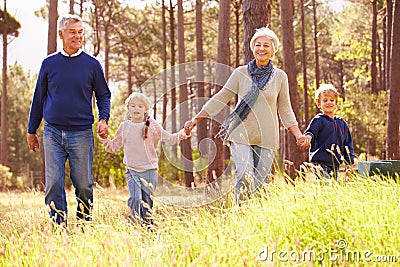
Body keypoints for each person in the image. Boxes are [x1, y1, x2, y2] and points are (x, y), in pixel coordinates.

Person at [185, 27, 304, 203]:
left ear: (273, 50)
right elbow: (221, 97)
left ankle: (258, 218)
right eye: (258, 45)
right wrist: (197, 118)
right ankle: (241, 212)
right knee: (244, 174)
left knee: (262, 182)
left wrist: (298, 134)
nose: (261, 49)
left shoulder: (280, 77)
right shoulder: (241, 73)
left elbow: (285, 109)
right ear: (252, 47)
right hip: (241, 133)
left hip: (267, 136)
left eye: (266, 45)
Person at [27, 14, 111, 225]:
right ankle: (59, 227)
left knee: (83, 184)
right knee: (54, 183)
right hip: (52, 132)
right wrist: (31, 130)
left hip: (81, 133)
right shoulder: (49, 64)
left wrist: (103, 119)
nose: (77, 36)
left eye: (80, 32)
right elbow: (38, 98)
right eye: (72, 32)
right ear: (61, 34)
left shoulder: (92, 65)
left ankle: (84, 224)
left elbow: (103, 95)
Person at [99, 92, 190, 226]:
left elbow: (170, 139)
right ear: (128, 108)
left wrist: (184, 133)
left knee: (147, 203)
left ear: (146, 109)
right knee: (135, 199)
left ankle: (147, 228)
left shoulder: (152, 125)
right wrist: (104, 137)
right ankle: (134, 224)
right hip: (132, 170)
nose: (136, 109)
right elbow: (113, 147)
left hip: (150, 170)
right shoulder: (124, 127)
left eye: (140, 106)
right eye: (133, 106)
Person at [299, 84, 354, 180]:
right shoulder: (319, 120)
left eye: (332, 100)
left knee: (332, 187)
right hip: (321, 163)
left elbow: (348, 144)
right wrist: (307, 138)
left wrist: (349, 162)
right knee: (324, 184)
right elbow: (311, 132)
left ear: (336, 103)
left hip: (335, 163)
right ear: (319, 104)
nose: (329, 103)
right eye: (325, 100)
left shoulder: (342, 123)